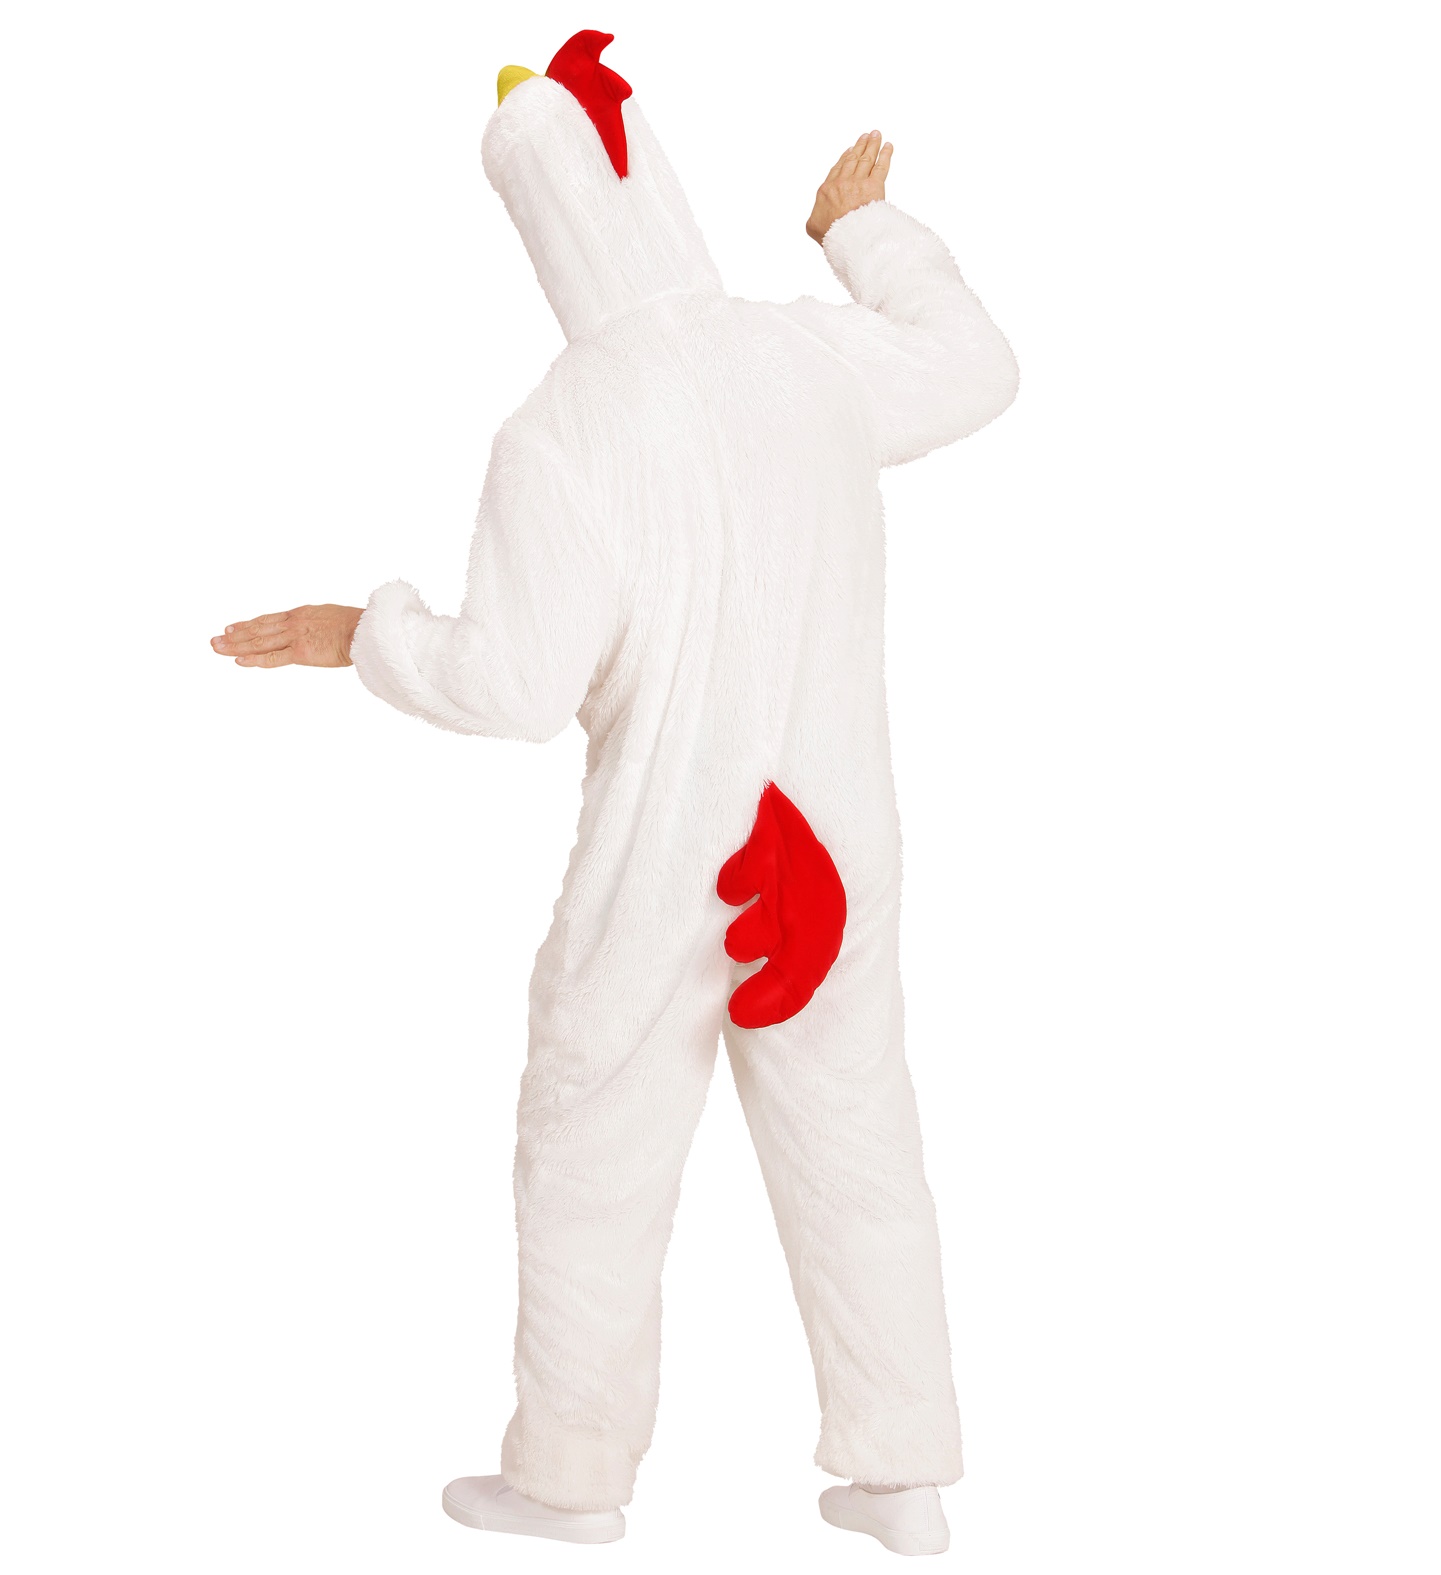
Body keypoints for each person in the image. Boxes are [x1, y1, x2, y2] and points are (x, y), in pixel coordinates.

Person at [210, 30, 1018, 1557]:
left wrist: (367, 632)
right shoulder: (802, 353)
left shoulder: (564, 425)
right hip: (837, 837)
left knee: (593, 1146)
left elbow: (510, 686)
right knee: (856, 1140)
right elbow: (978, 370)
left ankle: (571, 1479)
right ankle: (902, 1473)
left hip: (668, 855)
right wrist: (862, 230)